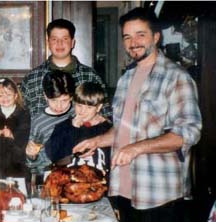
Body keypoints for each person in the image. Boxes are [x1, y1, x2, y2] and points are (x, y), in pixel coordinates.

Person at [73, 7, 202, 222]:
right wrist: (97, 141)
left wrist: (136, 148)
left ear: (156, 37)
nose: (133, 42)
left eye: (141, 34)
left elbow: (188, 133)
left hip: (160, 194)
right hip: (124, 188)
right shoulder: (126, 79)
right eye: (127, 37)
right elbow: (124, 128)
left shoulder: (176, 77)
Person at [21, 18, 111, 119]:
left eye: (65, 39)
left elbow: (106, 114)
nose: (59, 44)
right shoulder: (32, 78)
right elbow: (21, 117)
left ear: (72, 42)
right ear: (48, 43)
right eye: (54, 39)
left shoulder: (91, 77)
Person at [45, 82, 112, 176]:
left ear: (99, 107)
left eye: (89, 107)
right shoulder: (64, 126)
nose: (82, 111)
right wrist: (73, 129)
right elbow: (53, 155)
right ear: (74, 103)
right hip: (69, 182)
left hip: (100, 183)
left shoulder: (109, 129)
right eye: (79, 105)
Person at [25, 70, 76, 174]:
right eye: (53, 101)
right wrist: (31, 155)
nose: (59, 106)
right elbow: (32, 165)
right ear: (45, 96)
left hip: (77, 170)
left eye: (64, 100)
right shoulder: (38, 122)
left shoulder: (79, 112)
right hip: (50, 174)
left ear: (71, 96)